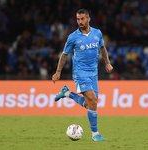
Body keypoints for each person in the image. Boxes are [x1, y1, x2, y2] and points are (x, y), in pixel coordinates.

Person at [52, 9, 113, 141]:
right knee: (92, 101)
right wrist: (58, 72)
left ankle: (67, 93)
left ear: (88, 19)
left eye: (82, 19)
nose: (80, 21)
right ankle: (95, 134)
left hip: (93, 73)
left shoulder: (97, 33)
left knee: (91, 104)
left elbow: (102, 48)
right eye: (78, 19)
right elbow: (64, 55)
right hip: (80, 73)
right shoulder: (73, 37)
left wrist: (107, 63)